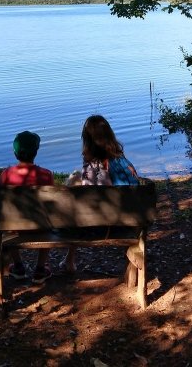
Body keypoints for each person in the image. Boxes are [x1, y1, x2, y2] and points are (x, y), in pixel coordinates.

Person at [61, 115, 140, 274]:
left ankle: (69, 260)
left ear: (87, 140)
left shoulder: (92, 164)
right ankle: (69, 260)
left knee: (76, 210)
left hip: (103, 227)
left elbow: (87, 199)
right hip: (132, 223)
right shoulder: (123, 161)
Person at [0, 130, 53, 283]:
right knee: (48, 220)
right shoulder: (46, 175)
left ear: (15, 153)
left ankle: (18, 266)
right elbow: (51, 206)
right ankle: (40, 269)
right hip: (40, 226)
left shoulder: (6, 175)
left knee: (9, 221)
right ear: (36, 152)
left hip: (14, 228)